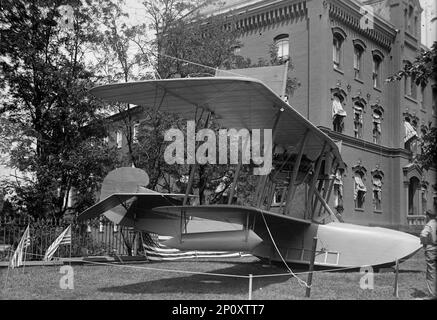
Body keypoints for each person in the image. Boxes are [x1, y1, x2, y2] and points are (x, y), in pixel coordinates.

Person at [420, 210, 437, 298]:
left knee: (431, 273)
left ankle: (432, 294)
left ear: (428, 216)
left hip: (431, 250)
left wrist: (424, 243)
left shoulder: (429, 224)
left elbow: (423, 235)